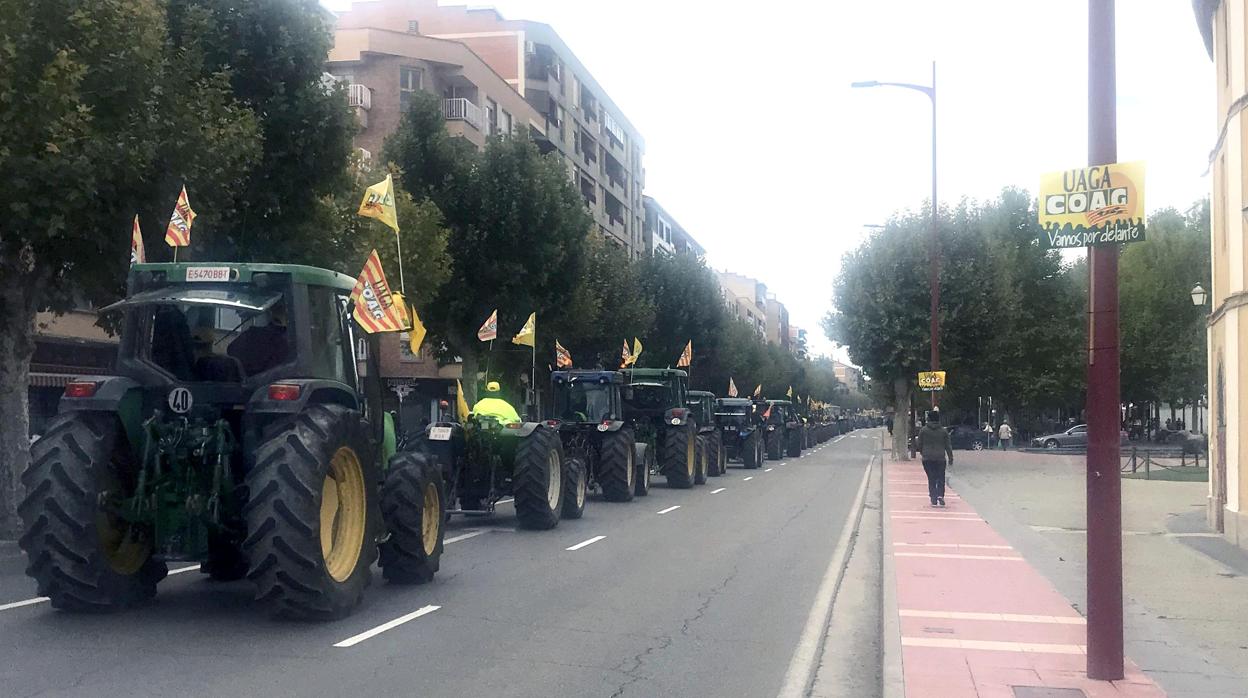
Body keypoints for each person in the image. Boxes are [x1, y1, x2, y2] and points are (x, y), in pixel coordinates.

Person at [917, 411, 953, 507]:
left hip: (927, 458)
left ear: (928, 419)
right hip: (940, 458)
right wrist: (950, 458)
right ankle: (940, 495)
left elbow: (919, 444)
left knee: (931, 478)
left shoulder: (923, 430)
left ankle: (933, 497)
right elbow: (948, 446)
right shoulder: (943, 431)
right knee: (941, 477)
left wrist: (923, 452)